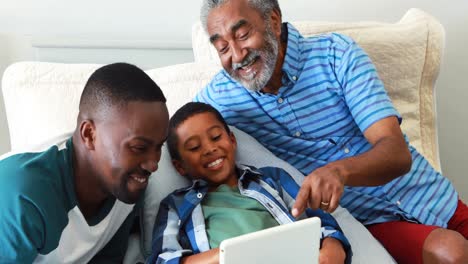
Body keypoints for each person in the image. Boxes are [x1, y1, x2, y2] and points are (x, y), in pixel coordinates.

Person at [194, 0, 468, 263]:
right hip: (373, 225)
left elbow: (396, 153)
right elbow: (176, 137)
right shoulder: (220, 102)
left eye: (242, 35)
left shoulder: (337, 54)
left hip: (434, 198)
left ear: (274, 21)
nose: (237, 55)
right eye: (222, 48)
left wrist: (339, 171)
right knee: (450, 252)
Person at [0, 63, 169, 263]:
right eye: (139, 148)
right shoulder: (22, 193)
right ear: (89, 134)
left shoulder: (125, 188)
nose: (153, 165)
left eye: (159, 146)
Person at [148, 102, 352, 264]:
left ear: (232, 140)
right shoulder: (175, 204)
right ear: (180, 167)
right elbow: (162, 259)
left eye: (216, 137)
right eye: (194, 147)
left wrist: (333, 247)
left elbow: (319, 218)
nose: (210, 149)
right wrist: (221, 256)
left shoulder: (272, 179)